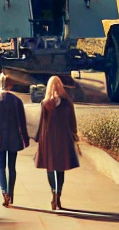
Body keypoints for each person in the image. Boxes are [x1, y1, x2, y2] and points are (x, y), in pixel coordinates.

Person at [33, 76, 80, 211]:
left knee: (50, 166)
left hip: (48, 137)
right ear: (61, 86)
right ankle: (58, 193)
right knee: (60, 168)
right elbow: (72, 121)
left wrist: (37, 137)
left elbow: (42, 122)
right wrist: (74, 134)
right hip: (63, 137)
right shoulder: (67, 102)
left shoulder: (45, 103)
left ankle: (53, 190)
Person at [0, 74, 30, 207]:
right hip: (14, 138)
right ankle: (11, 194)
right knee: (12, 166)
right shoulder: (17, 101)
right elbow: (22, 123)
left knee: (1, 166)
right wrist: (25, 139)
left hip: (0, 139)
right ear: (11, 86)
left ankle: (4, 191)